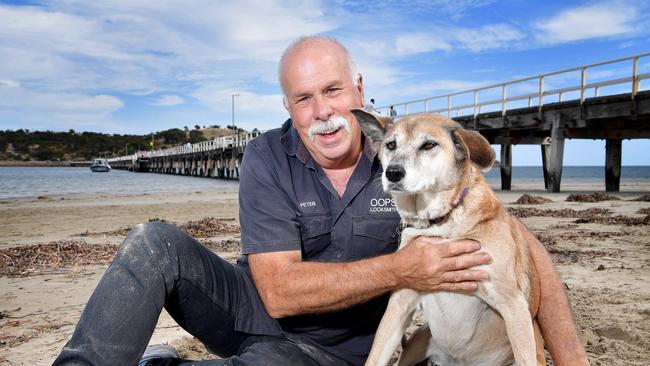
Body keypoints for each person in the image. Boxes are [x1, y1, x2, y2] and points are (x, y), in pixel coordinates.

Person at [53, 36, 589, 366]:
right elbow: (280, 293)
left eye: (332, 90)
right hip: (251, 309)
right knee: (153, 244)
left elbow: (519, 244)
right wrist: (404, 268)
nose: (321, 111)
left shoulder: (400, 149)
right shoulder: (267, 155)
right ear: (287, 105)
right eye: (303, 98)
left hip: (328, 352)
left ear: (358, 89)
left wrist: (572, 358)